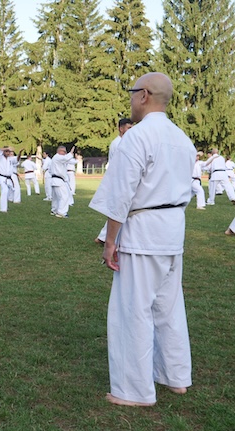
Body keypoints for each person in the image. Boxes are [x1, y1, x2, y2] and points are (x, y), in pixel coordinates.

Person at [89, 72, 194, 406]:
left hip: (143, 232)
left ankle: (133, 390)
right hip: (172, 231)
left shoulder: (137, 137)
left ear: (144, 95)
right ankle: (175, 376)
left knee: (133, 310)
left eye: (132, 93)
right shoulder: (182, 139)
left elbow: (121, 194)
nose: (131, 99)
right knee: (169, 307)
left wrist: (110, 242)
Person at [95, 118, 134, 244]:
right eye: (129, 128)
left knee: (121, 210)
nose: (131, 130)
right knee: (119, 210)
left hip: (120, 179)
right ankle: (105, 237)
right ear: (121, 128)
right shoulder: (118, 143)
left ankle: (104, 237)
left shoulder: (123, 142)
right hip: (119, 180)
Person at [50, 146, 75, 218]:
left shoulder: (58, 159)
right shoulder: (57, 157)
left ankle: (54, 210)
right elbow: (66, 158)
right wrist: (71, 152)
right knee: (64, 196)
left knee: (56, 197)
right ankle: (61, 212)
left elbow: (70, 161)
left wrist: (74, 158)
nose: (65, 153)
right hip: (58, 180)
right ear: (59, 151)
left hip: (56, 180)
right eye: (64, 151)